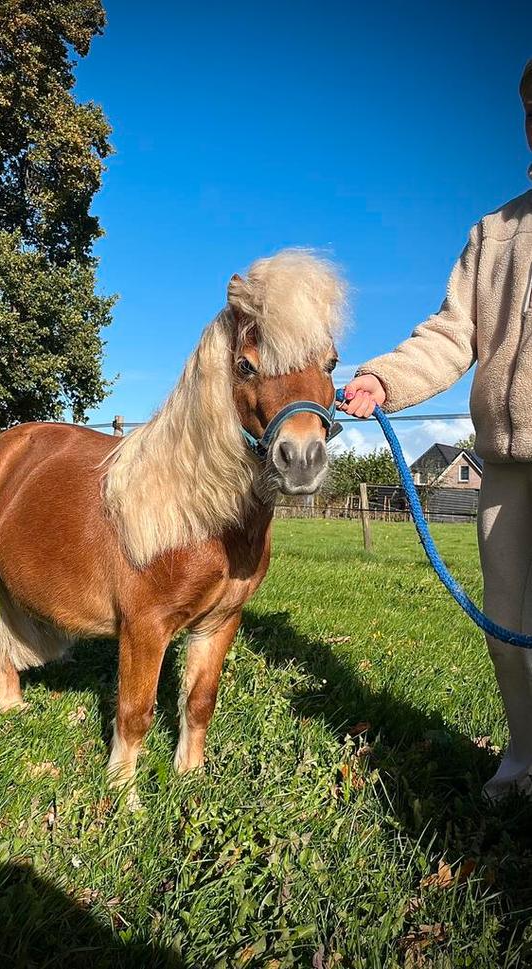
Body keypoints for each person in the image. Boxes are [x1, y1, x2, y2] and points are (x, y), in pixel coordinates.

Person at [340, 59, 532, 801]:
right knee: (505, 624)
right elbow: (451, 337)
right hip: (505, 471)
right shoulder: (495, 233)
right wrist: (383, 377)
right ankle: (521, 758)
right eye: (530, 107)